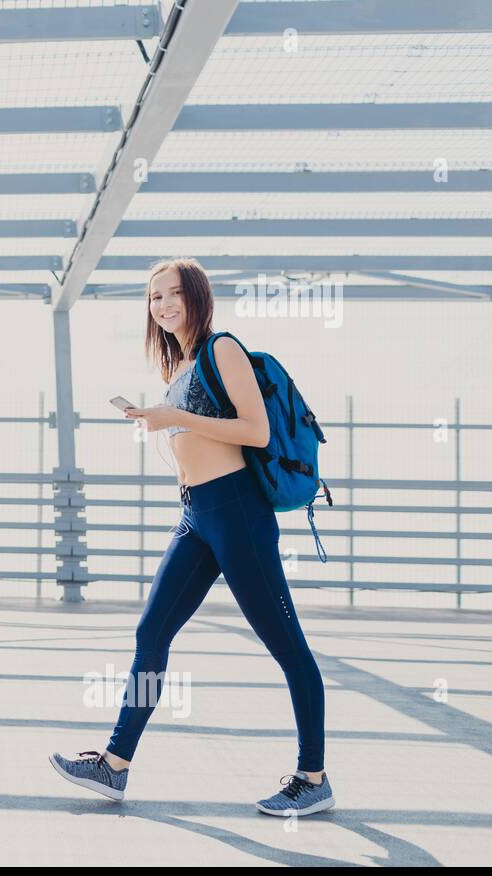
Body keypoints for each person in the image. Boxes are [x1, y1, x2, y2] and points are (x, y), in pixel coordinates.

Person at [48, 257, 334, 818]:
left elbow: (256, 430)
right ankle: (114, 764)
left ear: (197, 296)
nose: (164, 305)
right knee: (150, 631)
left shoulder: (221, 348)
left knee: (288, 648)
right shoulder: (177, 365)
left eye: (174, 293)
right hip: (196, 515)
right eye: (155, 297)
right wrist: (160, 415)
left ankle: (314, 777)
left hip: (237, 514)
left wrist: (171, 415)